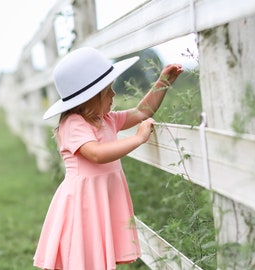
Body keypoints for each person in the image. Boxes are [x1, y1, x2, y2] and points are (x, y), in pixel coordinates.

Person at [33, 47, 183, 270]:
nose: (114, 95)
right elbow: (96, 153)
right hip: (84, 202)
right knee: (84, 256)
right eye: (108, 91)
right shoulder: (74, 123)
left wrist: (162, 82)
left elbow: (142, 111)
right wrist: (137, 139)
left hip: (103, 197)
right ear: (92, 97)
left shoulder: (107, 119)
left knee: (99, 255)